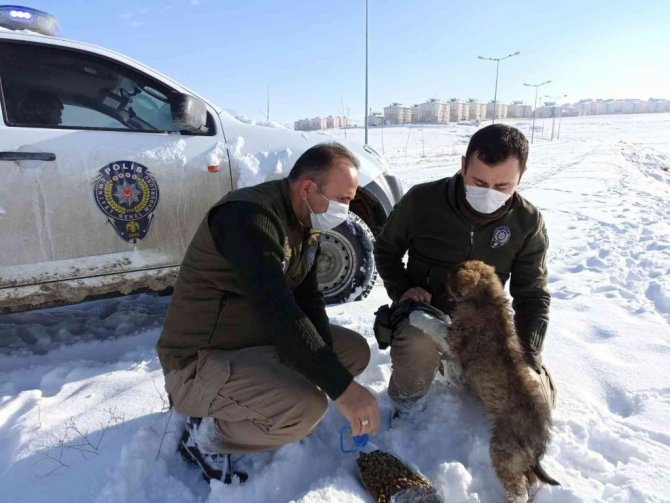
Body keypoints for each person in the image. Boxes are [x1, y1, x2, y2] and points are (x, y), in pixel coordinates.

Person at [157, 143, 380, 480]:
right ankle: (204, 436)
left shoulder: (305, 220)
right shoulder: (247, 218)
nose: (345, 210)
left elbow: (308, 298)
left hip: (249, 340)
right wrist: (342, 389)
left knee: (353, 352)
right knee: (305, 410)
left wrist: (328, 367)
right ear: (307, 188)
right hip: (198, 361)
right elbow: (278, 309)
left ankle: (268, 390)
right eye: (342, 199)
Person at [373, 124, 555, 413]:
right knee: (418, 343)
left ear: (521, 175)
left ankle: (464, 370)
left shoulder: (527, 222)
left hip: (484, 327)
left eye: (502, 187)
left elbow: (532, 296)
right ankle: (407, 405)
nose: (489, 193)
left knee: (531, 402)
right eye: (479, 182)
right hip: (425, 317)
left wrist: (528, 357)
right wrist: (403, 289)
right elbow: (385, 249)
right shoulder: (422, 201)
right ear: (463, 165)